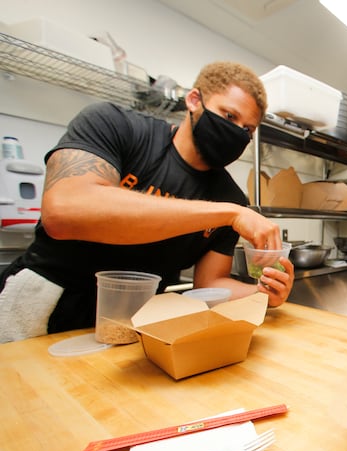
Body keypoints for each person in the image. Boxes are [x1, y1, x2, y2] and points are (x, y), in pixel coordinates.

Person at [0, 61, 294, 342]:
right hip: (42, 305)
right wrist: (227, 213)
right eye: (229, 117)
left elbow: (210, 284)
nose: (236, 132)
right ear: (194, 100)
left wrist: (261, 292)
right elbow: (64, 212)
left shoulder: (230, 198)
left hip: (133, 321)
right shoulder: (115, 126)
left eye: (247, 130)